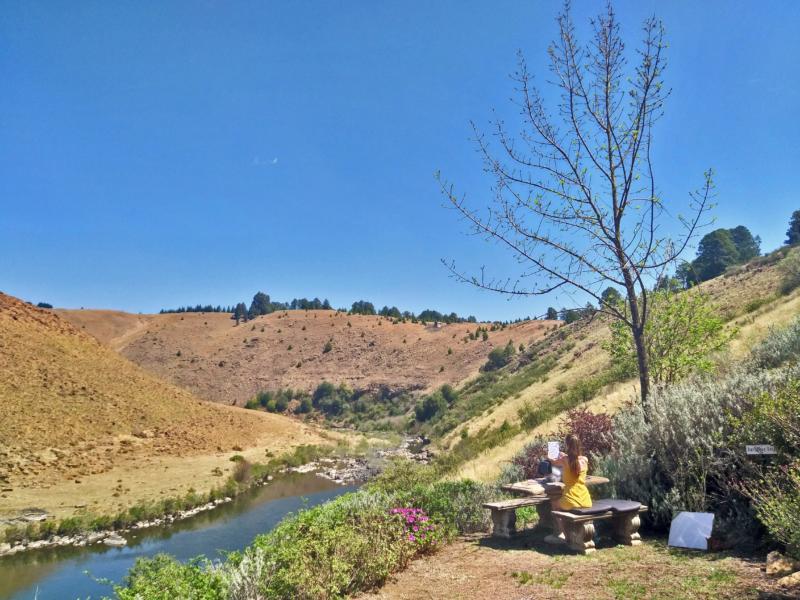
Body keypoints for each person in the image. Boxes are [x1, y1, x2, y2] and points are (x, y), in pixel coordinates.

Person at [544, 433, 592, 545]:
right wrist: (564, 455)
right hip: (585, 499)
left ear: (567, 445)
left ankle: (564, 535)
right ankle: (572, 533)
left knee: (555, 505)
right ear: (578, 445)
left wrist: (548, 456)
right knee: (563, 504)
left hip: (571, 498)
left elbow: (553, 460)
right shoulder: (585, 459)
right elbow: (575, 460)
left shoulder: (565, 460)